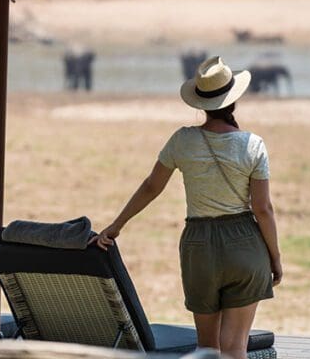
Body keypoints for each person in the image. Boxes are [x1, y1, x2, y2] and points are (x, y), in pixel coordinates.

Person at [90, 56, 282, 359]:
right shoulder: (253, 144)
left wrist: (116, 226)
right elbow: (263, 208)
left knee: (207, 348)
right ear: (233, 102)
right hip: (245, 246)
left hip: (199, 246)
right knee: (235, 348)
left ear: (202, 104)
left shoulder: (182, 140)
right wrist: (275, 257)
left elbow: (151, 187)